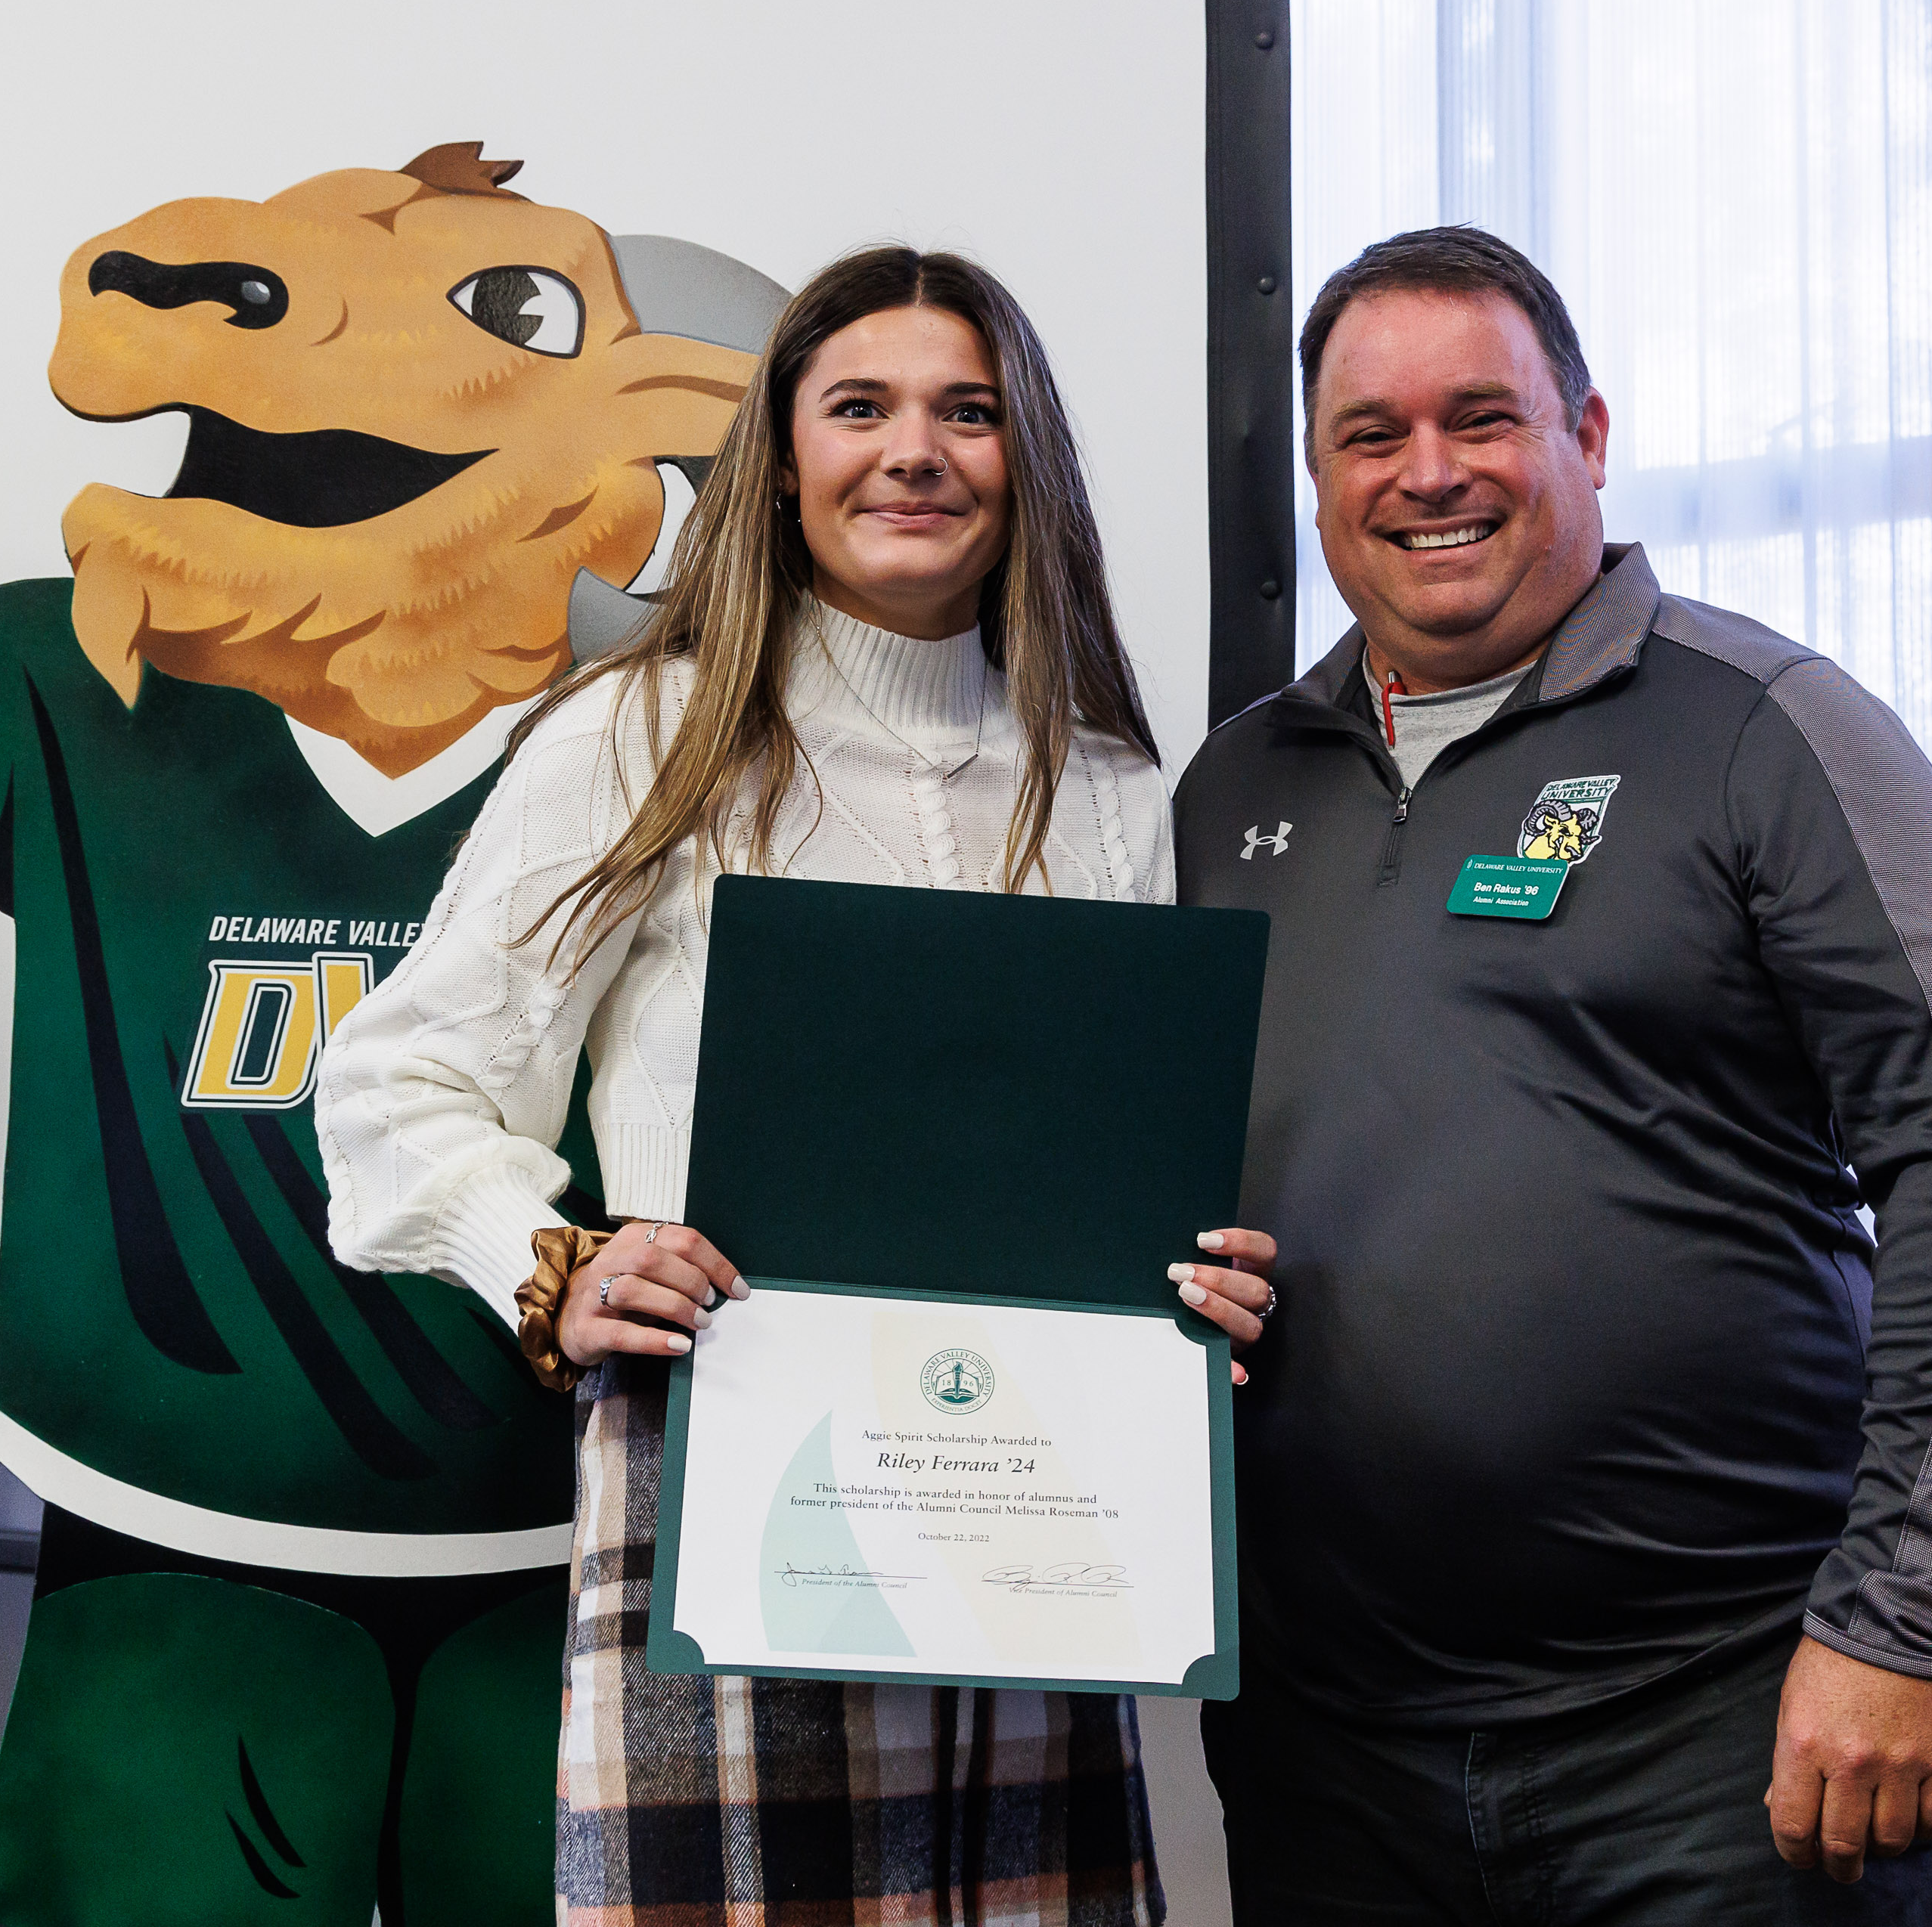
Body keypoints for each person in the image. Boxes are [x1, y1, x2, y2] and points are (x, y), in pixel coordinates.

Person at [312, 245, 1274, 1925]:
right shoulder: (646, 733)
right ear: (780, 459)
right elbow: (398, 1083)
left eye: (967, 412)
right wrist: (553, 1265)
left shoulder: (1115, 784)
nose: (915, 452)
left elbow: (1125, 1157)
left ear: (1025, 462)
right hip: (734, 1495)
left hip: (1037, 1512)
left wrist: (1200, 1286)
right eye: (860, 408)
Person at [1179, 226, 1932, 1923]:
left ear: (1585, 439)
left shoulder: (1770, 730)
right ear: (1319, 477)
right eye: (1371, 435)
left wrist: (1900, 1619)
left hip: (1722, 1732)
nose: (1427, 473)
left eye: (1481, 418)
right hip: (1326, 1754)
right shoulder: (1234, 791)